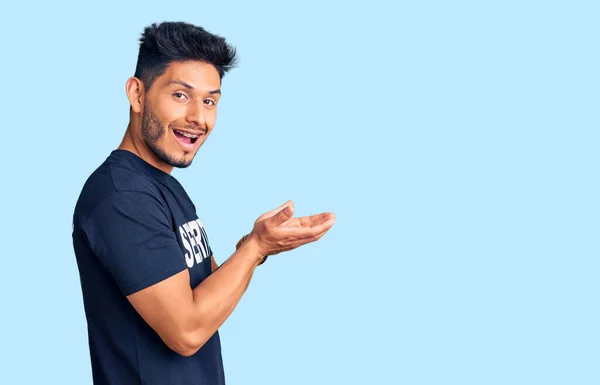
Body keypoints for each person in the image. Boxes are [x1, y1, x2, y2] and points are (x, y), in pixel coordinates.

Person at [71, 21, 335, 385]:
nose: (198, 117)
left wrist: (257, 245)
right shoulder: (121, 198)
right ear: (137, 94)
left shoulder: (164, 186)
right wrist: (256, 248)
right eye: (181, 95)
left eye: (210, 100)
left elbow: (207, 289)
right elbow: (187, 332)